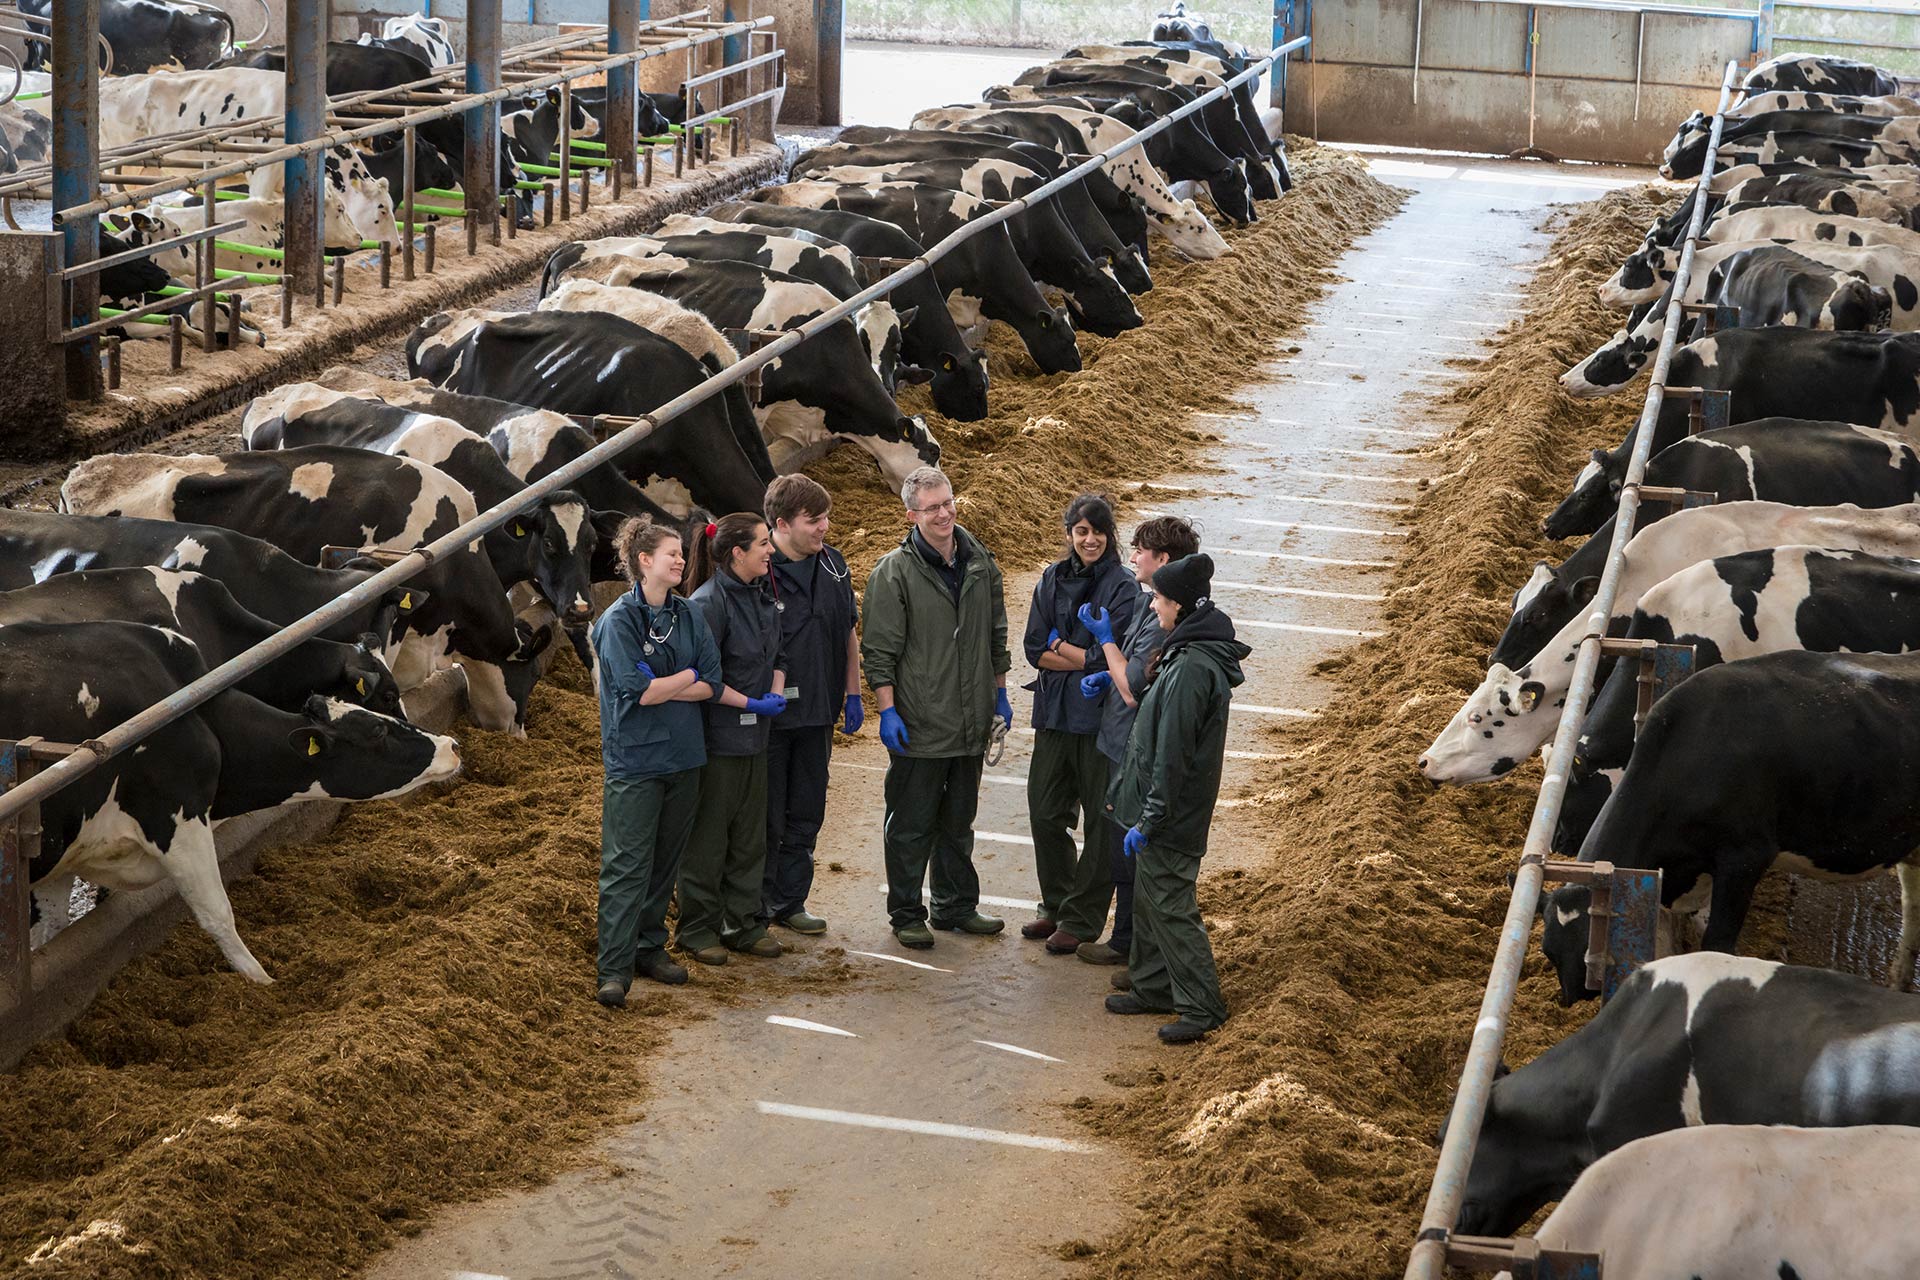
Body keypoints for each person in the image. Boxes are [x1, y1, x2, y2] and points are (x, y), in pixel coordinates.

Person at [861, 465, 1012, 950]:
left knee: (958, 819)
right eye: (932, 508)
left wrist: (1001, 692)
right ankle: (907, 912)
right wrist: (887, 710)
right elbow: (879, 651)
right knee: (910, 823)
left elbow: (996, 633)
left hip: (971, 719)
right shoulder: (894, 572)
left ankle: (955, 906)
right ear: (911, 515)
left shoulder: (979, 561)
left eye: (948, 502)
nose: (944, 513)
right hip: (921, 721)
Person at [1104, 552, 1246, 1044]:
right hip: (1160, 809)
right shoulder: (1187, 650)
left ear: (1180, 606)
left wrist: (1152, 818)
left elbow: (1172, 757)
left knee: (1169, 902)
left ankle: (1202, 1005)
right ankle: (1152, 985)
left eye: (1159, 598)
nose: (1154, 605)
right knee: (1149, 896)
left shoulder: (1190, 669)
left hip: (1171, 814)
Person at [591, 515, 722, 1008]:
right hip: (635, 761)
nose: (681, 560)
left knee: (664, 862)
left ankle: (649, 948)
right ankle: (614, 967)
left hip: (685, 758)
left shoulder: (688, 614)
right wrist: (676, 682)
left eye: (682, 554)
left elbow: (711, 681)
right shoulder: (617, 621)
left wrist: (676, 677)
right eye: (672, 553)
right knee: (627, 865)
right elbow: (637, 692)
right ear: (644, 561)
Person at [1075, 515, 1200, 976]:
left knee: (1131, 854)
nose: (1130, 558)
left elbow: (1132, 687)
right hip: (1120, 740)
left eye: (1139, 551)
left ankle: (1134, 948)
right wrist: (1101, 677)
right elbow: (1126, 676)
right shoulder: (1157, 603)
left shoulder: (1165, 615)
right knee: (1120, 850)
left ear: (1162, 559)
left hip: (1133, 749)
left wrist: (1105, 643)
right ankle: (1130, 943)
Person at [1019, 494, 1138, 955]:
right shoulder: (1051, 577)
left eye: (1097, 531)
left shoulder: (1123, 588)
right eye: (1081, 531)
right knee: (1045, 812)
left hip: (1101, 722)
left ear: (1109, 535)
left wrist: (1066, 651)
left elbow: (1112, 660)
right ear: (1069, 533)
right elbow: (1034, 649)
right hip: (1053, 715)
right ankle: (1056, 903)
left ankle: (1082, 917)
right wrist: (1083, 656)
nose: (1089, 540)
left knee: (1100, 822)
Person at [676, 511, 788, 966]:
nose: (771, 550)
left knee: (749, 835)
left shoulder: (762, 595)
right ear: (736, 552)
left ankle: (742, 922)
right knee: (708, 839)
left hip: (757, 738)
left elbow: (779, 653)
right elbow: (702, 678)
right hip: (717, 741)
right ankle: (697, 928)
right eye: (763, 543)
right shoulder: (708, 604)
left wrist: (775, 694)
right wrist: (750, 704)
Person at [760, 475, 862, 937]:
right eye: (813, 520)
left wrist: (855, 693)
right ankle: (755, 906)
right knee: (766, 815)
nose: (825, 527)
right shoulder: (759, 572)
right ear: (781, 524)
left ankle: (790, 901)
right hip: (769, 719)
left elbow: (848, 633)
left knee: (806, 810)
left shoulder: (834, 564)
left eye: (826, 517)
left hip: (820, 710)